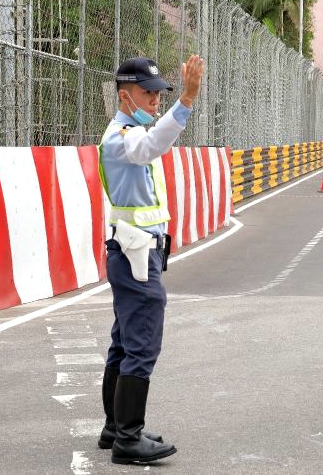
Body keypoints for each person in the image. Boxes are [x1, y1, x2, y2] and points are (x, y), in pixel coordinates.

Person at [97, 55, 204, 465]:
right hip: (134, 253)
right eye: (148, 93)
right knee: (141, 343)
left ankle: (115, 428)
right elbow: (150, 147)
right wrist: (187, 100)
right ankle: (128, 438)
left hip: (136, 251)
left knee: (124, 341)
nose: (156, 100)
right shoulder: (122, 138)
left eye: (160, 93)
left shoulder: (132, 133)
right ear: (124, 96)